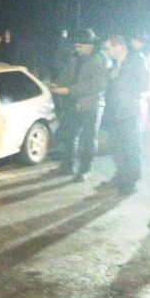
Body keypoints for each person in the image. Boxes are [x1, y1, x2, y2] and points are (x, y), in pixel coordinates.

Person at [49, 28, 111, 182]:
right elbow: (67, 74)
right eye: (76, 46)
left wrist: (68, 90)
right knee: (69, 135)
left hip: (91, 105)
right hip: (73, 103)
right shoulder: (76, 57)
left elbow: (95, 85)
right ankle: (67, 166)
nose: (76, 49)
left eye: (79, 46)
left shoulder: (101, 60)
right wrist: (57, 84)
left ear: (90, 45)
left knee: (88, 140)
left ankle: (84, 170)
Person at [99, 35, 150, 195]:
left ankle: (130, 182)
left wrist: (127, 92)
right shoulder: (115, 65)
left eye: (108, 48)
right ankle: (121, 176)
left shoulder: (136, 60)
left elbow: (145, 83)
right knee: (117, 148)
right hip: (115, 112)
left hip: (130, 111)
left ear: (119, 47)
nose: (106, 52)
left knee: (131, 148)